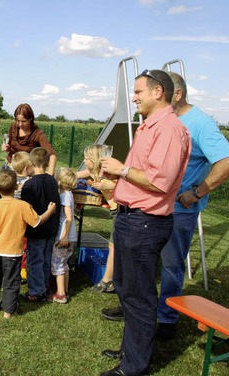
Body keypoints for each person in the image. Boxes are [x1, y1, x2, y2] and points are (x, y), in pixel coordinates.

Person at [98, 69, 191, 376]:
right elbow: (144, 175)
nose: (134, 97)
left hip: (146, 223)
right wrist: (117, 177)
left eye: (138, 92)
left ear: (157, 92)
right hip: (132, 219)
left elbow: (160, 182)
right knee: (127, 289)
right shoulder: (150, 127)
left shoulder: (169, 130)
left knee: (139, 296)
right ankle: (131, 351)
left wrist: (122, 171)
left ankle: (134, 367)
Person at [154, 72, 229, 340]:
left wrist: (197, 192)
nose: (157, 97)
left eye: (161, 92)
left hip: (180, 211)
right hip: (155, 205)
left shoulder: (201, 123)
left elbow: (226, 161)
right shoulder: (166, 119)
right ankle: (140, 309)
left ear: (178, 94)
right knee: (147, 260)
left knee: (172, 265)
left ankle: (166, 319)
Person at [0, 169, 56, 319]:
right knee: (11, 281)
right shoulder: (23, 206)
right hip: (13, 253)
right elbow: (37, 222)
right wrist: (50, 211)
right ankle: (8, 311)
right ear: (16, 186)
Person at [20, 147, 60, 302]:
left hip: (36, 230)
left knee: (35, 261)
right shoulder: (52, 181)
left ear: (30, 163)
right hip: (51, 228)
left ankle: (36, 292)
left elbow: (26, 211)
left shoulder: (29, 186)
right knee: (45, 259)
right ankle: (43, 288)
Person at [77, 144, 118, 294]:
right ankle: (108, 280)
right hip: (116, 210)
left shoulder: (107, 173)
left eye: (87, 158)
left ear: (94, 160)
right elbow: (75, 175)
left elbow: (121, 185)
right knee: (113, 246)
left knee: (114, 246)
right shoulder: (92, 171)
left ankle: (108, 281)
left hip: (121, 209)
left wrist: (104, 185)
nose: (84, 160)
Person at [2, 103, 56, 175]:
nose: (20, 124)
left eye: (23, 121)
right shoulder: (13, 127)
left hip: (25, 172)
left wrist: (50, 175)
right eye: (18, 121)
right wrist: (6, 147)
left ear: (30, 119)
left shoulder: (37, 134)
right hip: (9, 166)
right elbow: (9, 145)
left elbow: (52, 155)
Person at [51, 167, 77, 304]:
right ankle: (65, 290)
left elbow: (68, 217)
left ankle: (60, 294)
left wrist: (64, 236)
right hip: (71, 236)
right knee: (64, 263)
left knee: (57, 264)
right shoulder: (68, 194)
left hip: (64, 237)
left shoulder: (65, 196)